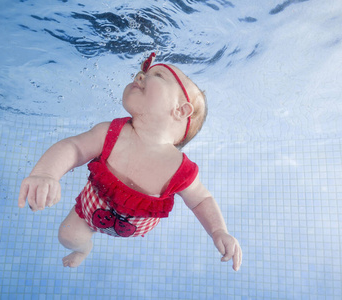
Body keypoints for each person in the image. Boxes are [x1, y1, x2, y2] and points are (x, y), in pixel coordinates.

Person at [18, 53, 242, 271]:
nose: (140, 76)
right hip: (90, 210)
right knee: (67, 237)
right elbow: (74, 148)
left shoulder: (179, 169)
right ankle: (83, 248)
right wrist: (47, 173)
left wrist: (218, 231)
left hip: (131, 226)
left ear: (181, 110)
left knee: (66, 235)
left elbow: (201, 200)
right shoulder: (110, 133)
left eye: (158, 75)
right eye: (142, 73)